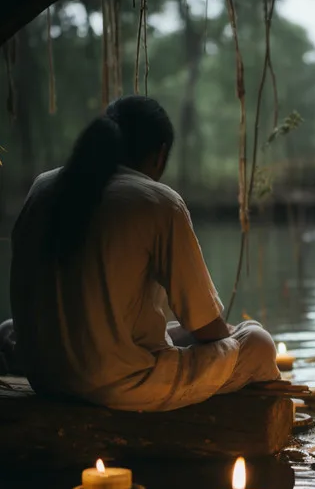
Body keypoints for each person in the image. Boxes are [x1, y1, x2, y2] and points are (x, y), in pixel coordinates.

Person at [1, 95, 280, 411]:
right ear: (160, 156)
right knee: (257, 342)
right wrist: (230, 332)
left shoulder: (43, 185)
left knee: (11, 329)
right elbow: (208, 329)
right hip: (115, 385)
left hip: (45, 376)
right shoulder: (158, 202)